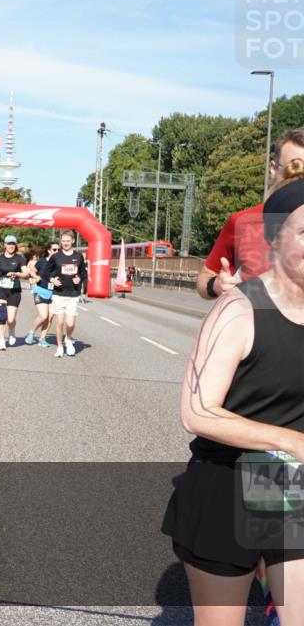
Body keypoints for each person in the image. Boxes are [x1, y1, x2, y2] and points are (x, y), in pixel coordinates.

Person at [162, 178, 304, 625]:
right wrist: (293, 441)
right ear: (274, 238)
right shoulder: (240, 309)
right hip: (226, 484)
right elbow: (196, 412)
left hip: (287, 487)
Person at [196, 128, 304, 300]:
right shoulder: (241, 222)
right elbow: (205, 277)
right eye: (294, 170)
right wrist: (215, 285)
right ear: (273, 169)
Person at [44, 230, 87, 358]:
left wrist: (79, 279)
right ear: (61, 241)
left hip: (73, 294)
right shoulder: (56, 257)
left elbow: (83, 273)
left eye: (68, 241)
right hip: (58, 293)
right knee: (59, 322)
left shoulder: (78, 256)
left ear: (73, 241)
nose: (66, 243)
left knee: (70, 323)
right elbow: (45, 272)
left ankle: (68, 339)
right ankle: (59, 346)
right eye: (63, 241)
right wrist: (52, 280)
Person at [0, 235, 29, 351]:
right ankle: (2, 340)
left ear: (15, 245)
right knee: (2, 316)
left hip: (14, 291)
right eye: (8, 244)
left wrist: (17, 274)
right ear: (5, 245)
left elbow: (26, 273)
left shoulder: (20, 259)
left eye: (13, 244)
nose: (11, 246)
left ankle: (12, 331)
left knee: (11, 319)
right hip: (1, 290)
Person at [25, 242, 59, 346]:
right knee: (43, 316)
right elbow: (32, 271)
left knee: (50, 317)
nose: (57, 251)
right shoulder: (42, 261)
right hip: (40, 290)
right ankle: (31, 332)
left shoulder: (60, 263)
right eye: (54, 250)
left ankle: (42, 339)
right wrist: (35, 277)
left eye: (58, 250)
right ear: (49, 250)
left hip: (53, 292)